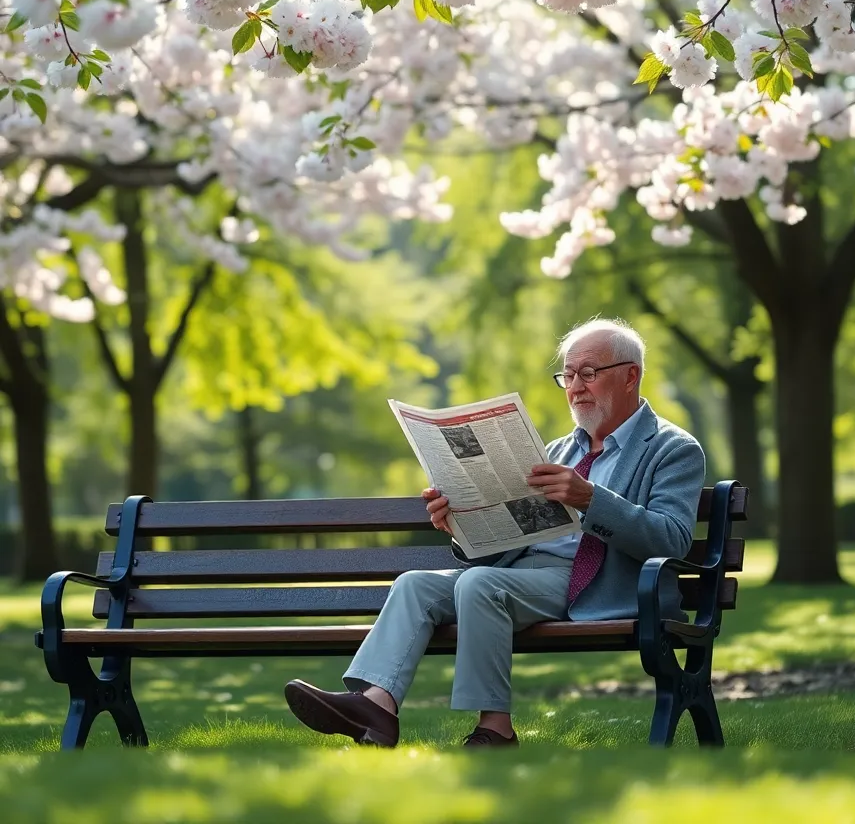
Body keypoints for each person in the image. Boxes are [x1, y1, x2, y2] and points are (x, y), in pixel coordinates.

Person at [284, 317, 705, 748]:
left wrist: (590, 499)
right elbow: (511, 539)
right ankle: (376, 706)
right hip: (521, 572)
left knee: (483, 586)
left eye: (589, 373)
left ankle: (496, 728)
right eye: (568, 375)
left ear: (630, 375)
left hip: (594, 582)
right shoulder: (559, 449)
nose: (575, 386)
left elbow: (671, 539)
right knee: (414, 585)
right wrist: (461, 523)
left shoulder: (673, 449)